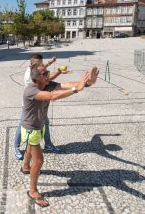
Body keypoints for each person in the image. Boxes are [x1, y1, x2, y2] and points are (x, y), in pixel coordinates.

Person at [21, 63, 99, 207]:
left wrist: (87, 83)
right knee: (38, 161)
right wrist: (77, 88)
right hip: (31, 128)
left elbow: (68, 84)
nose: (48, 75)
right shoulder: (30, 90)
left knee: (30, 149)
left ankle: (25, 166)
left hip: (39, 125)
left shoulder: (47, 83)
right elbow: (52, 96)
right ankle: (33, 191)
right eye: (44, 74)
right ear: (35, 78)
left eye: (47, 72)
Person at [14, 53, 68, 160]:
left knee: (45, 122)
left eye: (42, 63)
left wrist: (50, 62)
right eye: (39, 63)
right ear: (32, 63)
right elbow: (47, 78)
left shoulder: (36, 69)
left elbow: (42, 70)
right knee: (22, 126)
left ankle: (47, 144)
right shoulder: (29, 75)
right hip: (30, 106)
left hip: (40, 103)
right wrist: (59, 71)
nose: (42, 65)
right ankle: (16, 147)